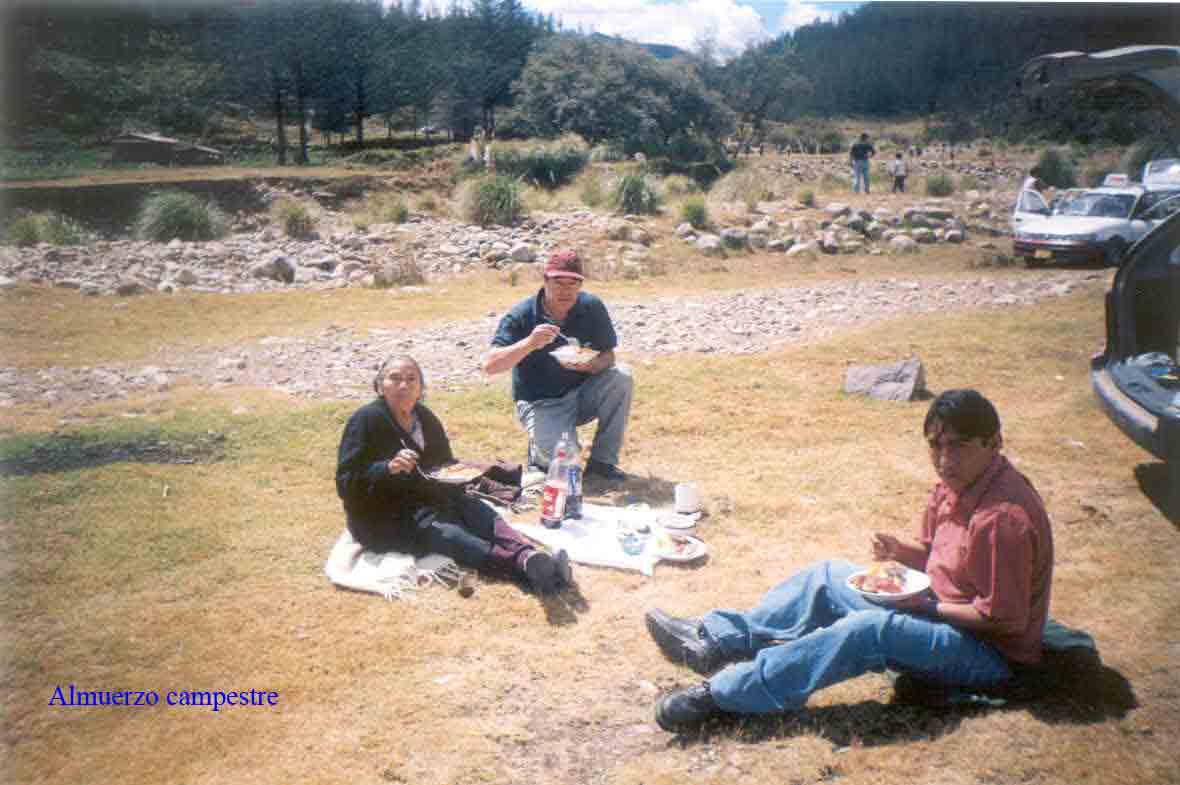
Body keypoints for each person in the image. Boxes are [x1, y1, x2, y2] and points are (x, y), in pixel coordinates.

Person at [645, 389, 1054, 731]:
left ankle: (724, 695)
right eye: (936, 445)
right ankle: (715, 639)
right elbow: (935, 555)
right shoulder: (956, 485)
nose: (945, 459)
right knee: (828, 575)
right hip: (943, 614)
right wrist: (902, 553)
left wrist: (928, 606)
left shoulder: (1002, 520)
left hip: (991, 656)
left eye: (959, 446)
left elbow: (1005, 620)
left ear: (994, 443)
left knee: (870, 630)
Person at [336, 354, 572, 594]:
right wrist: (387, 468)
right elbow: (345, 483)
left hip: (428, 499)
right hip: (385, 518)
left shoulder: (425, 418)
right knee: (450, 535)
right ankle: (524, 566)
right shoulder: (366, 420)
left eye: (411, 379)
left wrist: (461, 475)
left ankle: (528, 555)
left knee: (475, 509)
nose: (403, 386)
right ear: (379, 385)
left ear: (421, 388)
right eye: (394, 378)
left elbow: (443, 464)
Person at [482, 249, 633, 482]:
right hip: (541, 402)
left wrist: (593, 365)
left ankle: (603, 463)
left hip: (582, 393)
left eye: (573, 283)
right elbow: (490, 366)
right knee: (567, 469)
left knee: (621, 376)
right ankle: (540, 452)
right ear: (545, 281)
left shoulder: (591, 306)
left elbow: (609, 356)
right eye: (558, 282)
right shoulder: (522, 315)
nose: (565, 290)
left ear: (580, 285)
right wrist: (529, 343)